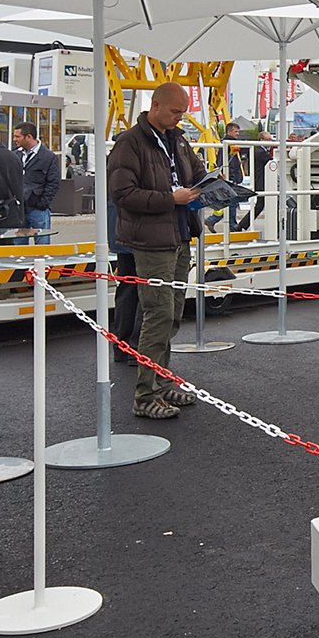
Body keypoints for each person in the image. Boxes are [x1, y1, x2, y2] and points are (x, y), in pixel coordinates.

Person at [108, 84, 208, 420]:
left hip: (179, 236)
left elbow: (196, 174)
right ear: (156, 105)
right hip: (152, 241)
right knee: (158, 315)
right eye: (175, 112)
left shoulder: (177, 139)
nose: (180, 118)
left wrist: (212, 185)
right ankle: (145, 394)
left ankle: (162, 385)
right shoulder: (130, 142)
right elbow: (122, 194)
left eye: (182, 113)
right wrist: (171, 199)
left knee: (171, 315)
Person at [13, 123, 62, 246]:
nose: (14, 139)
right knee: (18, 246)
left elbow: (53, 182)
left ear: (28, 137)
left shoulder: (49, 157)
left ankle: (42, 266)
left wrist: (42, 203)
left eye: (17, 136)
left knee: (42, 244)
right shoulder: (15, 155)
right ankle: (21, 266)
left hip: (38, 209)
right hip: (18, 209)